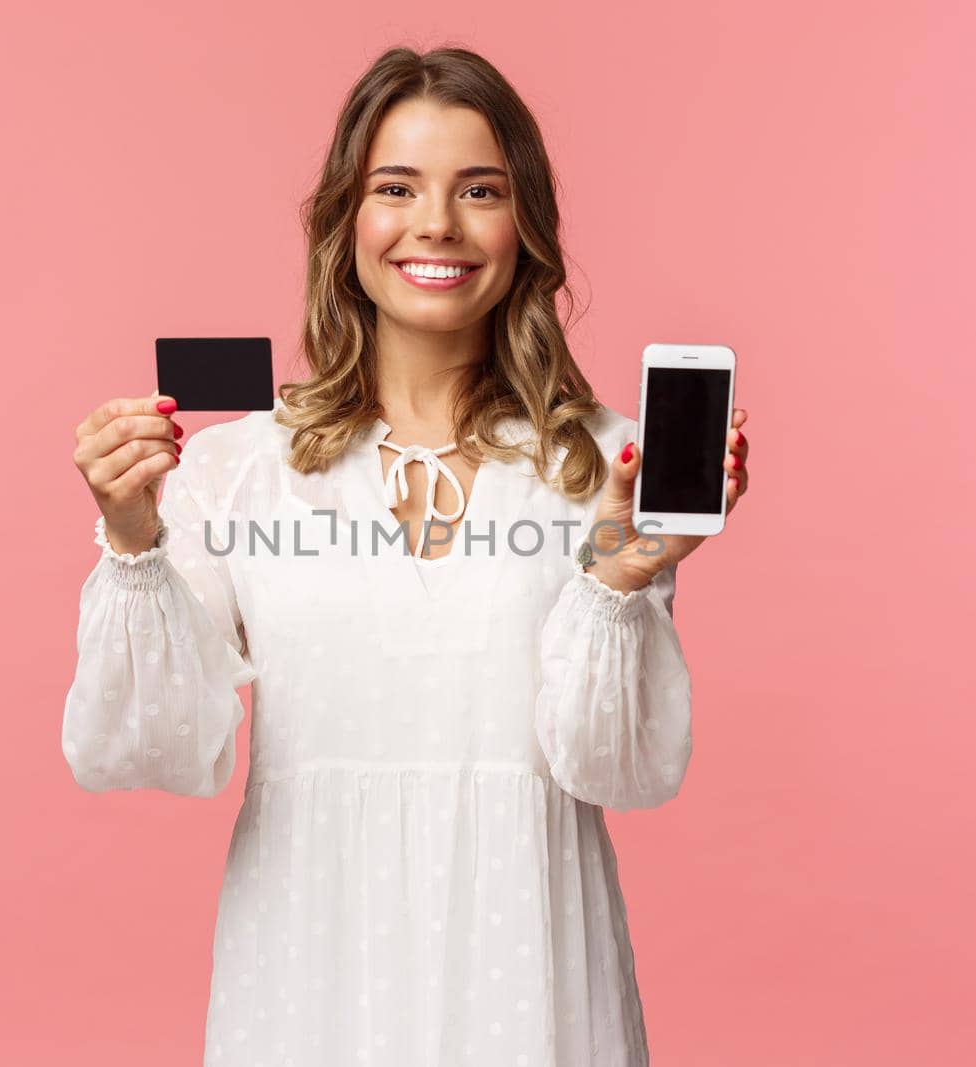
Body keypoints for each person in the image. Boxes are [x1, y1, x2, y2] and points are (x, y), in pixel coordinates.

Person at [65, 45, 751, 1067]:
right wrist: (132, 539)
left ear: (526, 227)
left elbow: (619, 766)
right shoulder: (237, 464)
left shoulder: (606, 459)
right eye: (397, 187)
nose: (437, 223)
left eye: (479, 189)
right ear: (347, 221)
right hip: (311, 959)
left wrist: (618, 574)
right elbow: (152, 745)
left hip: (532, 963)